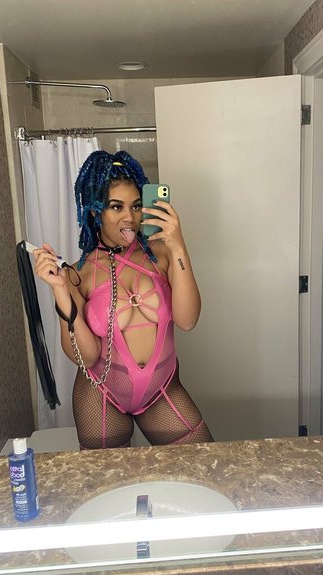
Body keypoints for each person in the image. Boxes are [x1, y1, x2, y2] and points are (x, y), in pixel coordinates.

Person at [34, 150, 213, 449]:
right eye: (116, 207)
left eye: (136, 206)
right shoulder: (79, 273)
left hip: (161, 392)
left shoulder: (162, 255)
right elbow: (86, 356)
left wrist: (179, 246)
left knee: (205, 466)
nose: (130, 217)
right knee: (111, 477)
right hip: (100, 396)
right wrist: (60, 290)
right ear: (95, 212)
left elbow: (188, 320)